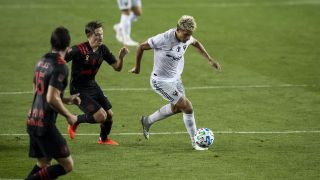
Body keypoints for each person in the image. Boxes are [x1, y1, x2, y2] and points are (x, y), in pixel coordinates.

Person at [130, 15, 221, 150]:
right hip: (160, 81)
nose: (188, 38)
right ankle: (195, 142)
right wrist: (137, 67)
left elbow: (195, 43)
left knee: (177, 108)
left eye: (190, 34)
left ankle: (147, 121)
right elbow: (141, 47)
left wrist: (209, 59)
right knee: (188, 107)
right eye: (186, 34)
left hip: (176, 79)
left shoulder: (188, 38)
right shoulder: (164, 39)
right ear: (178, 30)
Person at [25, 26, 80, 179]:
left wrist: (68, 100)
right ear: (68, 43)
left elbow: (40, 92)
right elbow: (50, 98)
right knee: (67, 165)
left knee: (43, 164)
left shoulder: (42, 60)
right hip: (45, 124)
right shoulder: (60, 65)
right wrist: (69, 115)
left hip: (32, 119)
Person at [65, 21, 129, 145]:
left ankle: (103, 139)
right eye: (97, 35)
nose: (100, 37)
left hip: (92, 86)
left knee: (109, 115)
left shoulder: (103, 49)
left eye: (102, 34)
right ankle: (74, 120)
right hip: (78, 89)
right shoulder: (78, 50)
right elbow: (60, 60)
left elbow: (117, 67)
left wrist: (121, 57)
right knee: (101, 116)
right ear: (89, 35)